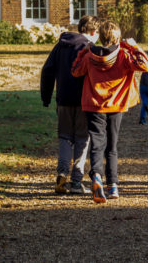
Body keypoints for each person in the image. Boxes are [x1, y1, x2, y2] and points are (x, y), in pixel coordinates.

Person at [71, 20, 148, 203]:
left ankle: (96, 176)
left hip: (93, 105)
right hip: (116, 105)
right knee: (112, 147)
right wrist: (134, 46)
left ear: (100, 36)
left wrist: (83, 50)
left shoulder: (89, 55)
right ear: (118, 37)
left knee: (97, 143)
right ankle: (112, 184)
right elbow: (144, 65)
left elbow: (75, 71)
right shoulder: (123, 55)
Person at [40, 15, 100, 195]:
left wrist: (46, 96)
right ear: (93, 32)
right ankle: (76, 181)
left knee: (65, 137)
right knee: (82, 139)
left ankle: (62, 173)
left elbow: (47, 71)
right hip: (84, 100)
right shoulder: (89, 48)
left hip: (63, 99)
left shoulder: (60, 45)